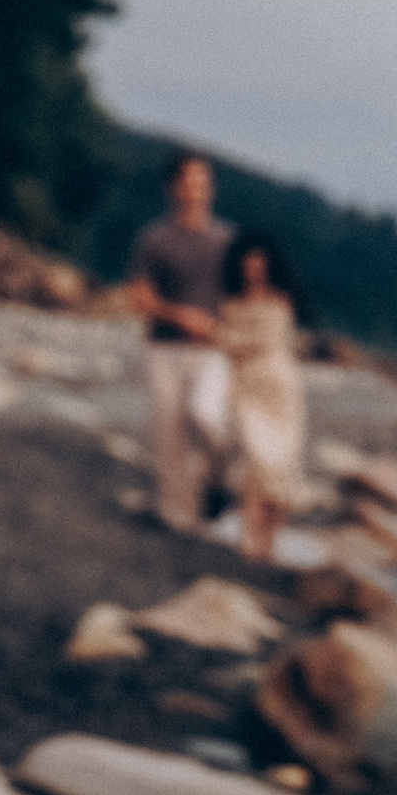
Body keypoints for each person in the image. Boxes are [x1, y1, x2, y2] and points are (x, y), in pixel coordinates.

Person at [126, 152, 237, 534]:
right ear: (173, 187)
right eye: (189, 183)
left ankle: (219, 482)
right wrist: (181, 315)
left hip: (213, 351)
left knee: (207, 416)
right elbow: (139, 297)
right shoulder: (154, 239)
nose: (197, 191)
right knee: (169, 432)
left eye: (203, 183)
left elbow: (245, 294)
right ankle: (179, 516)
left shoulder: (227, 239)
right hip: (166, 347)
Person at [216, 235, 311, 562]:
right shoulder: (230, 302)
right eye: (248, 263)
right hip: (247, 389)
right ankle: (250, 537)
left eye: (260, 264)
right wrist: (230, 339)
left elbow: (258, 340)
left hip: (280, 389)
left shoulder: (280, 301)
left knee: (280, 467)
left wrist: (228, 337)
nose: (253, 270)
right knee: (258, 463)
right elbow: (232, 343)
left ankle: (269, 541)